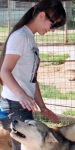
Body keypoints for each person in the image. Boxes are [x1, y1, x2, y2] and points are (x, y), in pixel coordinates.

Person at [0, 0, 66, 150]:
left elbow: (31, 79)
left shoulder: (30, 39)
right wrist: (22, 95)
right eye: (54, 24)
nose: (53, 30)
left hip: (22, 104)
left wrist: (43, 107)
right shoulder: (21, 37)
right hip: (15, 104)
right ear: (42, 15)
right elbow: (4, 71)